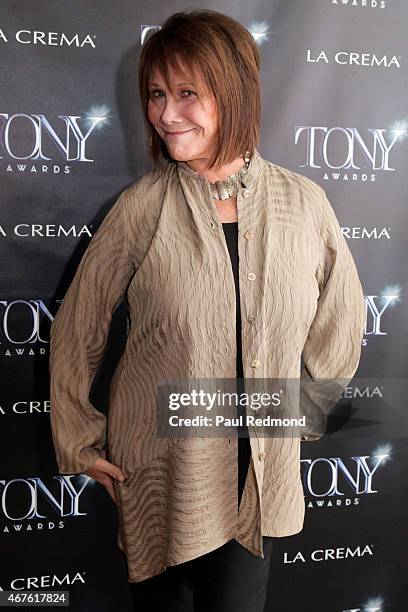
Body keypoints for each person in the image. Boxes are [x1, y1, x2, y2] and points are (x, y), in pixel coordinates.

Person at [49, 9, 366, 612]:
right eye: (157, 94)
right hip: (161, 474)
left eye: (187, 93)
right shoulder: (142, 208)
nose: (167, 114)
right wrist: (82, 439)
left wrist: (302, 409)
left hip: (257, 476)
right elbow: (77, 327)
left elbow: (341, 322)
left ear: (235, 92)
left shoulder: (305, 205)